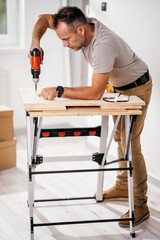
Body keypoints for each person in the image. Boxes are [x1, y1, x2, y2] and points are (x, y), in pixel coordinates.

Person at [28, 6, 152, 227]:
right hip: (118, 87)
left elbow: (96, 92)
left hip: (136, 88)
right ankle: (124, 185)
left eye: (66, 39)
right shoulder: (77, 23)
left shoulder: (103, 45)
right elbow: (41, 19)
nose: (64, 44)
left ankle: (140, 204)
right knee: (118, 139)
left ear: (82, 30)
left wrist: (59, 90)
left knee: (131, 144)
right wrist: (35, 42)